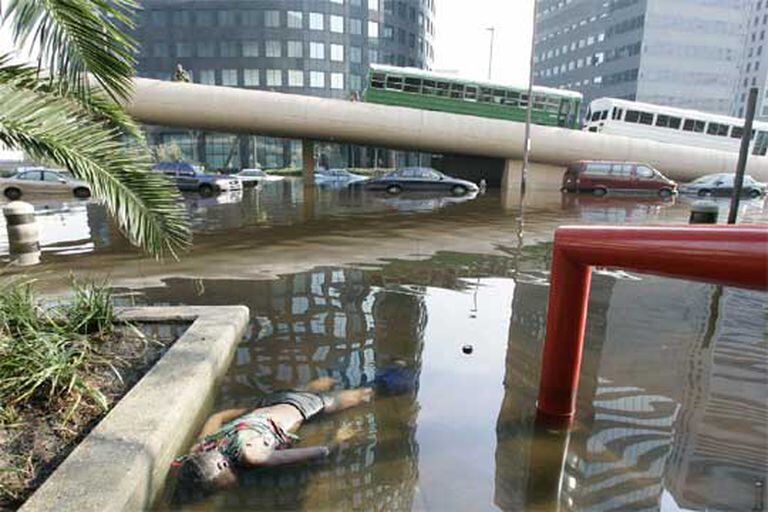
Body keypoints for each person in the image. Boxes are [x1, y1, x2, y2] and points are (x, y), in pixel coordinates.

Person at [172, 377, 372, 501]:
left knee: (362, 396)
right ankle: (320, 382)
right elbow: (218, 416)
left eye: (216, 484)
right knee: (313, 388)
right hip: (268, 402)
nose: (219, 489)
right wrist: (252, 414)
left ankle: (394, 374)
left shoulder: (253, 456)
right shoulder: (204, 446)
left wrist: (338, 438)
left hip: (303, 406)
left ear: (223, 464)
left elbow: (319, 451)